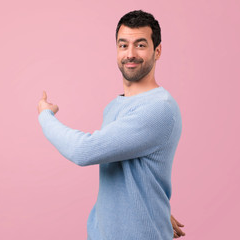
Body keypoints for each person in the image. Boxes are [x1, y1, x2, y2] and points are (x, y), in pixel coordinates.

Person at [37, 10, 186, 240]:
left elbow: (83, 150)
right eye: (123, 45)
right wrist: (156, 209)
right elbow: (133, 172)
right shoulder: (114, 106)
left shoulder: (159, 108)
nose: (131, 54)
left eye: (141, 45)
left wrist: (45, 115)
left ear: (158, 51)